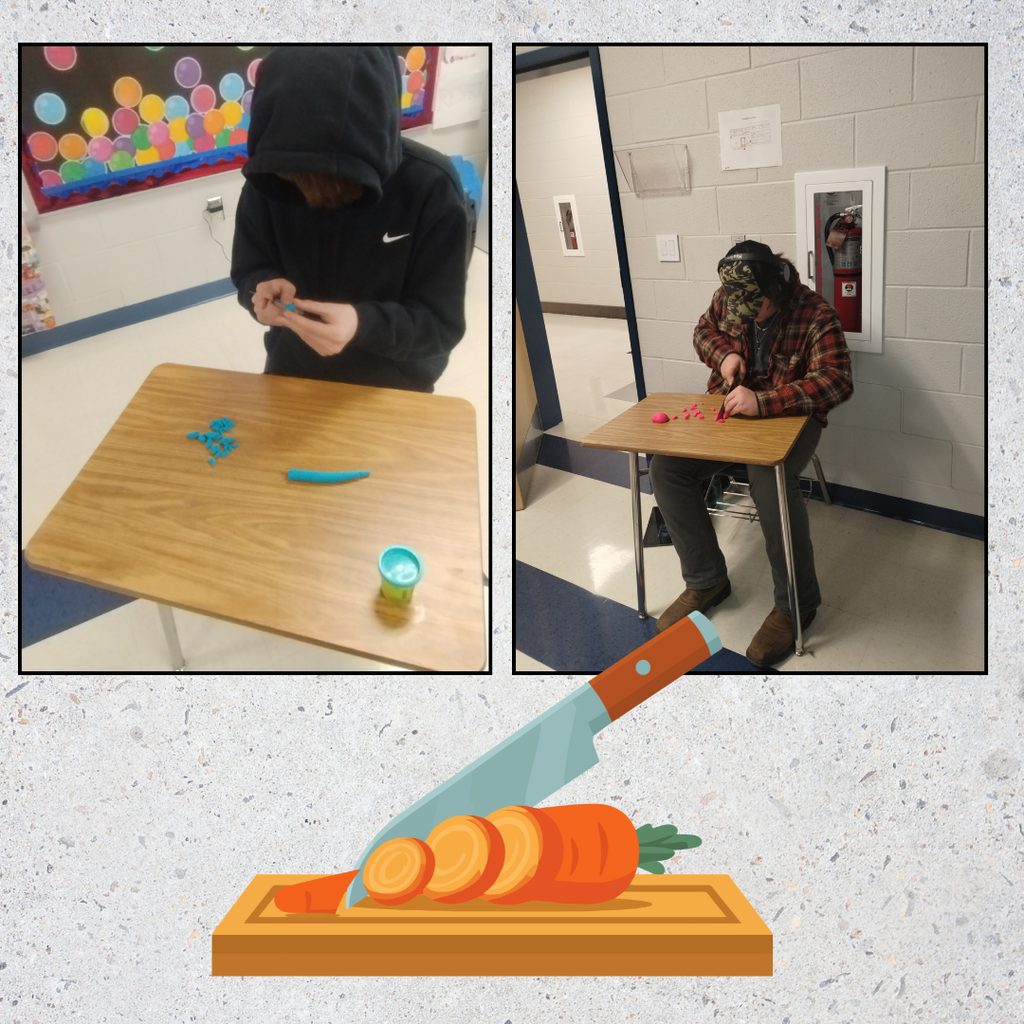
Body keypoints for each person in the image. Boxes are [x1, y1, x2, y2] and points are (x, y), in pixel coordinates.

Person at [648, 240, 853, 666]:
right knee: (665, 467)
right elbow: (704, 331)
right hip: (730, 411)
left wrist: (765, 402)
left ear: (775, 290)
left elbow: (837, 380)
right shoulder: (731, 295)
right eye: (733, 309)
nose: (739, 316)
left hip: (792, 417)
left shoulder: (816, 314)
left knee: (769, 475)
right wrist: (725, 357)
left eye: (753, 312)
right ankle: (706, 580)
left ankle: (797, 603)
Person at [230, 46, 470, 392]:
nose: (318, 197)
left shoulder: (430, 187)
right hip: (292, 371)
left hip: (393, 384)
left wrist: (362, 324)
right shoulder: (268, 181)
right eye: (297, 180)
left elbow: (439, 325)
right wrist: (260, 290)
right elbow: (247, 270)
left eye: (341, 184)